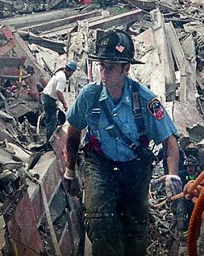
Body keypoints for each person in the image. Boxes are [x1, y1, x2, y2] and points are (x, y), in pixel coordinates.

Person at [63, 31, 180, 256]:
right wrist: (70, 170)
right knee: (100, 223)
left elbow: (169, 139)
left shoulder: (144, 99)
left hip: (135, 167)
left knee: (135, 229)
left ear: (126, 69)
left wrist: (172, 174)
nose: (104, 72)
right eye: (102, 66)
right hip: (101, 165)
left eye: (110, 67)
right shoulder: (89, 96)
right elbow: (74, 132)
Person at [41, 60, 78, 146]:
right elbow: (58, 91)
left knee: (50, 120)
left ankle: (49, 141)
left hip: (46, 97)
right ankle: (49, 144)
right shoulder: (62, 78)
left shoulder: (60, 73)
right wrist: (64, 103)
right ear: (71, 71)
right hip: (49, 99)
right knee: (52, 122)